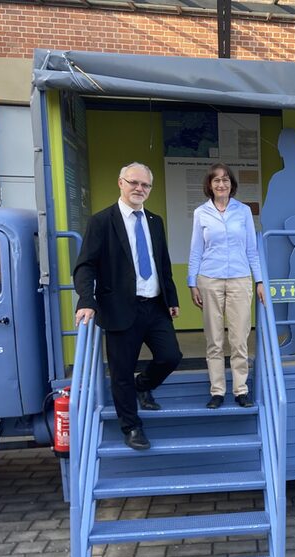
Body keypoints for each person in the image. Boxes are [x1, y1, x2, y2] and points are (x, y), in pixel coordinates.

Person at [74, 162, 182, 451]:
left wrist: (171, 299)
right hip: (119, 308)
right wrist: (86, 301)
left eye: (145, 185)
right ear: (121, 183)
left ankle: (144, 385)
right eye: (134, 182)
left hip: (155, 306)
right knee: (121, 372)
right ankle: (132, 427)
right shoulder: (101, 221)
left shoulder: (155, 221)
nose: (139, 189)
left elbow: (163, 264)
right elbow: (85, 266)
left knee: (171, 356)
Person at [188, 163, 265, 409]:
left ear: (232, 184)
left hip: (240, 279)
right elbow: (196, 250)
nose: (221, 184)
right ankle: (217, 390)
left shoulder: (242, 211)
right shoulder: (201, 212)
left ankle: (241, 389)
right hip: (209, 279)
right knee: (214, 338)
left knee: (239, 337)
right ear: (209, 185)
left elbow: (252, 250)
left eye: (225, 180)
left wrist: (260, 280)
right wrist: (192, 283)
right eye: (216, 180)